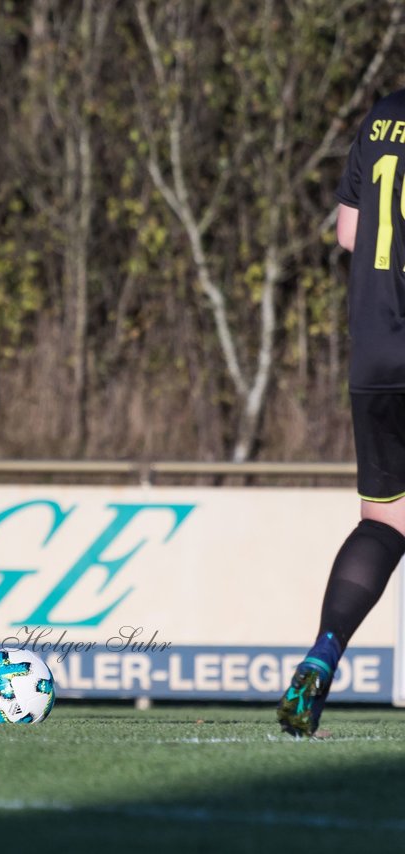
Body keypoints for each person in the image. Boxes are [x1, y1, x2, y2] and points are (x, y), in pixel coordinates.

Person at [277, 88, 405, 738]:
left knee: (384, 521)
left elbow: (349, 233)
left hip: (376, 352)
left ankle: (324, 650)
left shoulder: (382, 115)